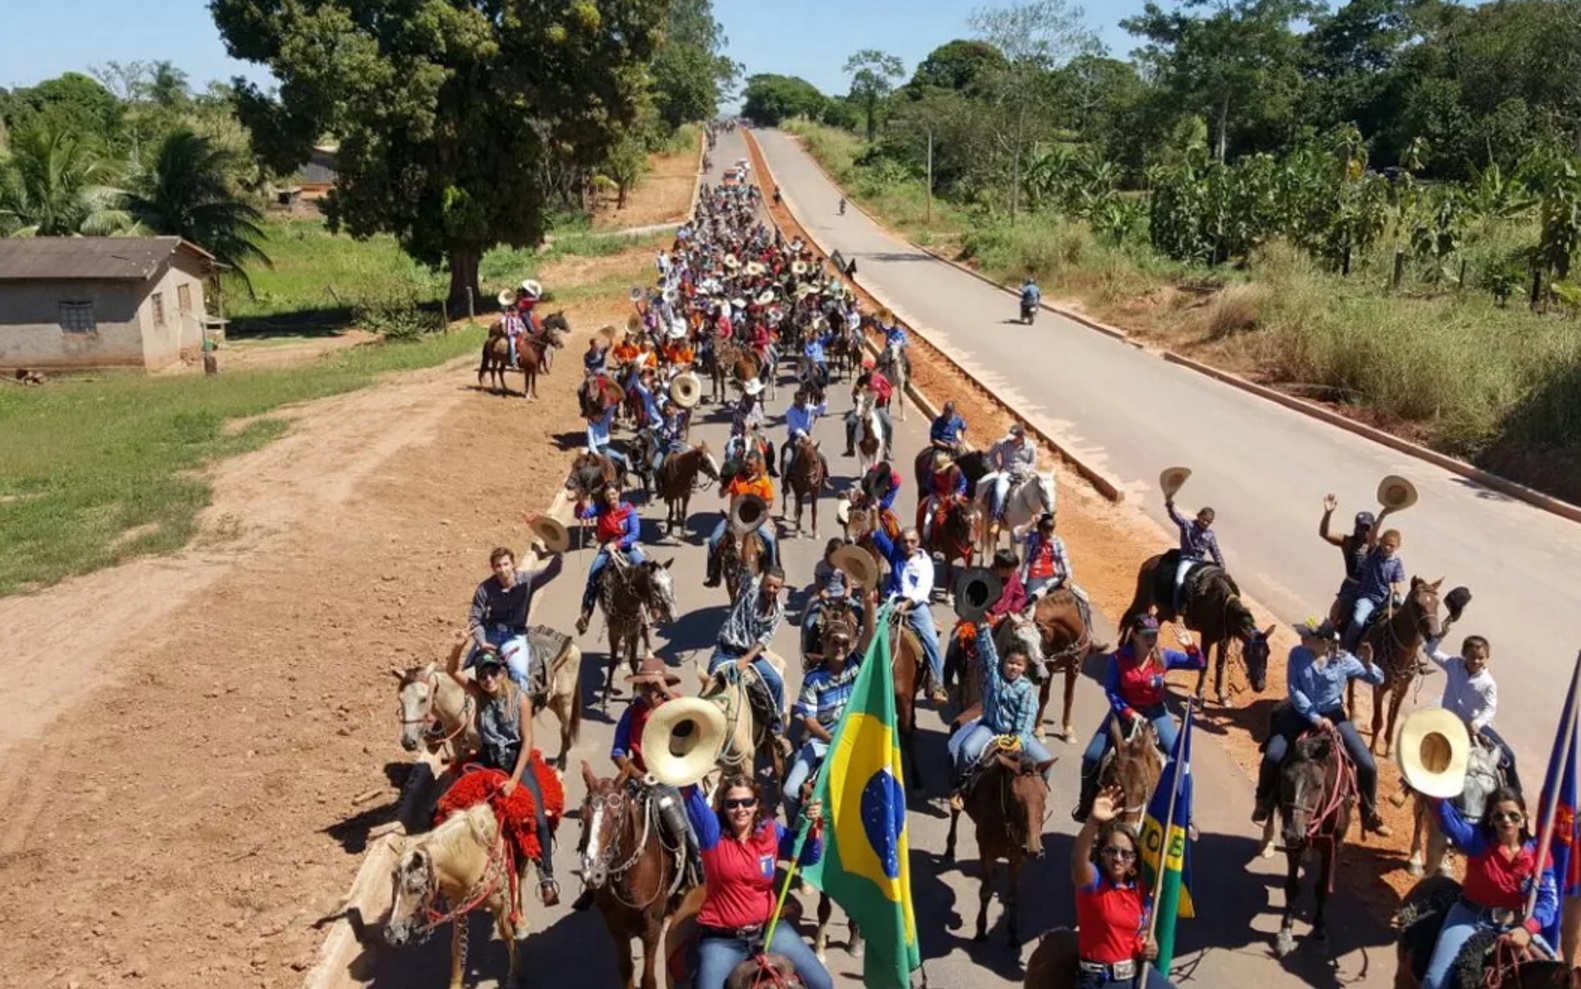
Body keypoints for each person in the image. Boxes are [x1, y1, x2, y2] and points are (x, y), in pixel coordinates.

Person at [682, 775, 831, 989]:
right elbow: (688, 791)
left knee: (823, 983)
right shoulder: (711, 832)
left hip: (769, 930)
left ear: (756, 804)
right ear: (723, 807)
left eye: (747, 802)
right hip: (723, 940)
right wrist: (683, 766)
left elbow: (807, 855)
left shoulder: (771, 830)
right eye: (732, 804)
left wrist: (813, 827)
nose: (740, 809)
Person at [444, 634, 560, 905]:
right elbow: (452, 671)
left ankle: (546, 877)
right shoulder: (479, 694)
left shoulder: (520, 699)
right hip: (489, 758)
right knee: (451, 802)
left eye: (492, 672)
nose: (488, 679)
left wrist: (514, 780)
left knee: (539, 817)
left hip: (516, 759)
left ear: (502, 673)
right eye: (483, 675)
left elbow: (527, 741)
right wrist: (459, 646)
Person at [1253, 618, 1391, 835]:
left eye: (1308, 635)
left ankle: (1369, 813)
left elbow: (1379, 679)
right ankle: (1263, 801)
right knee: (1273, 755)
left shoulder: (1343, 660)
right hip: (1300, 714)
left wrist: (1367, 665)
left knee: (1367, 764)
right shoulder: (1297, 654)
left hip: (1334, 716)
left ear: (1324, 641)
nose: (1303, 637)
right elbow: (1295, 691)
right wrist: (1315, 718)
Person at [1419, 788, 1556, 989]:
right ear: (1491, 819)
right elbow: (1447, 820)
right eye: (1499, 816)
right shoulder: (1477, 840)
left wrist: (1528, 929)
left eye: (1513, 815)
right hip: (1469, 919)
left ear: (1524, 817)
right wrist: (1436, 792)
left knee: (1559, 973)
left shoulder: (1540, 855)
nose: (1506, 820)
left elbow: (1548, 901)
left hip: (1515, 925)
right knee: (1435, 982)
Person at [1075, 615, 1203, 821]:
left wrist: (1190, 646)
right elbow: (1111, 691)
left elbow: (1198, 663)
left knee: (1181, 761)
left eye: (1154, 635)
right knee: (1092, 756)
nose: (1151, 640)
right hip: (1124, 712)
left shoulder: (1164, 657)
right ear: (1134, 635)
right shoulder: (1118, 659)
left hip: (1156, 712)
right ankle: (1085, 804)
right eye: (1146, 635)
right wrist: (1129, 713)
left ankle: (1186, 817)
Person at [605, 656, 703, 890]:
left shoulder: (676, 705)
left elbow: (693, 718)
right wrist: (638, 775)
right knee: (605, 818)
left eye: (653, 686)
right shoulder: (631, 713)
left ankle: (698, 867)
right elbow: (617, 751)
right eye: (644, 686)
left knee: (687, 829)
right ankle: (598, 879)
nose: (649, 691)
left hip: (673, 777)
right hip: (640, 779)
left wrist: (665, 691)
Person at [1070, 788, 1171, 989]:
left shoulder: (1140, 890)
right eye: (1111, 851)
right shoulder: (1093, 882)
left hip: (1136, 974)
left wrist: (1151, 945)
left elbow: (1142, 932)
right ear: (1102, 853)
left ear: (1134, 859)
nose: (1118, 858)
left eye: (1126, 853)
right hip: (1101, 980)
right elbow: (1078, 862)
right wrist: (1093, 821)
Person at [785, 602, 874, 827]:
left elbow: (869, 634)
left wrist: (869, 603)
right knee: (790, 791)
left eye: (844, 643)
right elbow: (809, 719)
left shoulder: (856, 664)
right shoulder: (813, 678)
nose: (840, 648)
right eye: (834, 642)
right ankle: (795, 832)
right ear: (824, 645)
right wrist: (831, 740)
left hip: (854, 741)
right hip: (821, 743)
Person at [948, 618, 1055, 804]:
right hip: (990, 728)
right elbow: (988, 651)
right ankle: (960, 788)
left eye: (1019, 665)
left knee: (1046, 761)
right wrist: (982, 627)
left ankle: (1038, 795)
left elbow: (1027, 719)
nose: (1014, 667)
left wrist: (1019, 740)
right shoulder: (994, 673)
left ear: (1025, 667)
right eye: (1011, 662)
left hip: (1016, 735)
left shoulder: (1027, 689)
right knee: (967, 750)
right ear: (1003, 661)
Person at [1425, 630, 1521, 794]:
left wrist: (1477, 723)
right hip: (1447, 721)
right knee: (1424, 746)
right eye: (1472, 657)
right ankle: (1409, 783)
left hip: (1474, 727)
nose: (1476, 661)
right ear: (1464, 654)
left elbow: (1490, 709)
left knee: (1508, 757)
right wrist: (1440, 636)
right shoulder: (1453, 664)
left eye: (1481, 658)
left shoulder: (1488, 683)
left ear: (1487, 657)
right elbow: (1430, 651)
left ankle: (1514, 795)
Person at [466, 541, 565, 692]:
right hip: (490, 634)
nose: (502, 569)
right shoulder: (485, 589)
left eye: (506, 564)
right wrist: (482, 642)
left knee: (519, 675)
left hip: (514, 636)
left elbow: (551, 571)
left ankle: (520, 706)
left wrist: (559, 550)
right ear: (493, 568)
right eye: (498, 566)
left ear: (513, 564)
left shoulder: (528, 580)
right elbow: (474, 619)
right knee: (467, 671)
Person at [870, 525, 947, 704]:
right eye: (904, 541)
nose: (908, 545)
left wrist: (907, 604)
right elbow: (876, 534)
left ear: (918, 542)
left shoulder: (925, 562)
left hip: (916, 606)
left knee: (932, 641)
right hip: (894, 602)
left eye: (912, 541)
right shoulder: (894, 554)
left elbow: (923, 588)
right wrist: (875, 513)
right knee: (866, 628)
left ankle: (937, 685)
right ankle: (855, 673)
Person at [707, 567, 788, 732]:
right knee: (710, 685)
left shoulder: (778, 610)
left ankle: (776, 731)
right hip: (725, 651)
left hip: (749, 655)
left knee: (776, 682)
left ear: (781, 588)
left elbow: (764, 639)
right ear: (762, 582)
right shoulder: (750, 588)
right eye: (768, 585)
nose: (771, 590)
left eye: (776, 587)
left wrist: (745, 660)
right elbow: (744, 565)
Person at [575, 483, 646, 635]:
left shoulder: (628, 509)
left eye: (613, 494)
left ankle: (653, 607)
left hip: (626, 547)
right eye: (607, 496)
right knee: (593, 576)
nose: (610, 498)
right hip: (606, 549)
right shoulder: (600, 509)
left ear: (618, 493)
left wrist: (618, 544)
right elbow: (582, 514)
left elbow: (635, 533)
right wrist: (580, 503)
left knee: (646, 569)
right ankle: (585, 615)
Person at [705, 452, 778, 587]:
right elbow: (722, 494)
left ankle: (773, 571)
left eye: (750, 465)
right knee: (713, 541)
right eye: (746, 464)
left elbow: (769, 502)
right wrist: (725, 483)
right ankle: (713, 574)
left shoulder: (764, 480)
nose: (747, 467)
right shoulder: (736, 477)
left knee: (770, 540)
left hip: (755, 519)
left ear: (757, 465)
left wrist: (759, 504)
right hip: (735, 518)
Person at [1022, 512, 1098, 635]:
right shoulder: (1032, 537)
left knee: (1082, 598)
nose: (1049, 533)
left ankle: (1088, 633)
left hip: (1054, 578)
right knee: (1029, 608)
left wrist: (1069, 577)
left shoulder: (1057, 541)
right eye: (1046, 530)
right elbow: (1016, 535)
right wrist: (1031, 523)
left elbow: (1064, 560)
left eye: (1051, 530)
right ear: (1040, 529)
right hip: (1035, 578)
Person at [1343, 506, 1406, 652]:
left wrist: (1397, 593)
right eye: (1386, 543)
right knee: (1358, 622)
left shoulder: (1397, 562)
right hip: (1368, 598)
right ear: (1381, 542)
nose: (1388, 547)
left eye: (1392, 545)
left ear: (1398, 546)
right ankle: (1347, 648)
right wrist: (1382, 515)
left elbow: (1397, 582)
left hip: (1384, 601)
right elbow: (1372, 536)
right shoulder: (1374, 552)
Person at [1319, 494, 1373, 623]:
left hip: (1370, 589)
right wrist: (1328, 513)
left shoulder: (1377, 546)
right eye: (1360, 527)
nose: (1363, 531)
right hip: (1351, 586)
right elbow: (1324, 533)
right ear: (1355, 527)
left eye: (1367, 528)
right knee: (1340, 616)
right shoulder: (1347, 542)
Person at [1164, 497, 1223, 612]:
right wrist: (1170, 506)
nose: (1205, 523)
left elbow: (1215, 551)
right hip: (1186, 559)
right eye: (1204, 519)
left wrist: (1221, 566)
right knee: (1179, 582)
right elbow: (1176, 517)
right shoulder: (1187, 525)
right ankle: (1177, 609)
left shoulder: (1210, 535)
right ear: (1198, 516)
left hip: (1200, 562)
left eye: (1208, 522)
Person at [983, 424, 1036, 524]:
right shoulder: (1003, 443)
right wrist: (998, 467)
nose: (1012, 440)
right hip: (1007, 473)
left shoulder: (1030, 446)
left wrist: (1026, 471)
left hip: (1023, 475)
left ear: (1021, 437)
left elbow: (1032, 462)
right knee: (999, 491)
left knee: (1037, 490)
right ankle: (996, 517)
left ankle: (1036, 517)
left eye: (1014, 439)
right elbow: (991, 454)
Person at [843, 360, 894, 454]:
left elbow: (889, 391)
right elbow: (854, 392)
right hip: (864, 406)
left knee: (888, 424)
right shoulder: (861, 379)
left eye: (867, 369)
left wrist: (880, 393)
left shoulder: (880, 379)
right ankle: (850, 448)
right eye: (864, 369)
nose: (865, 371)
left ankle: (887, 450)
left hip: (878, 407)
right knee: (850, 422)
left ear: (872, 369)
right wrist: (857, 397)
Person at [919, 448, 968, 544]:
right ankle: (927, 541)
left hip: (954, 497)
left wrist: (958, 493)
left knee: (968, 517)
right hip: (938, 497)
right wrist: (938, 494)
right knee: (928, 520)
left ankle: (968, 540)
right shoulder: (933, 474)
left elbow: (963, 483)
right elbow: (929, 485)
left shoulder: (956, 471)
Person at [780, 388, 829, 480]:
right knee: (787, 459)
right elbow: (795, 427)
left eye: (804, 401)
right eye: (801, 402)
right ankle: (785, 481)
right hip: (794, 437)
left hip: (807, 437)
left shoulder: (808, 408)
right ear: (796, 401)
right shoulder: (790, 412)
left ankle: (825, 477)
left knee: (822, 456)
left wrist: (824, 400)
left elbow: (819, 410)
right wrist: (804, 436)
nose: (803, 404)